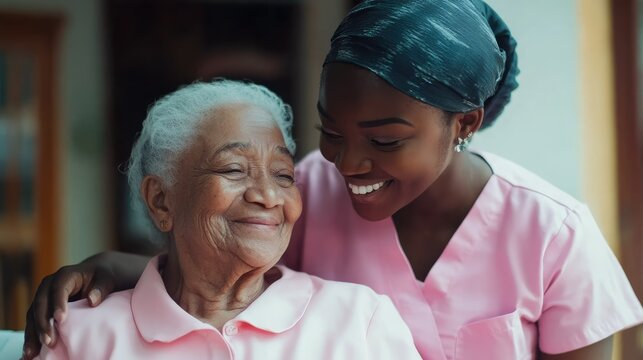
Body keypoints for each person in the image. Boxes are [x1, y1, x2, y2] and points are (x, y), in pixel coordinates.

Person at [24, 1, 643, 359]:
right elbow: (228, 281)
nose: (348, 163)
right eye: (331, 131)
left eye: (384, 140)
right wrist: (116, 268)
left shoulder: (554, 233)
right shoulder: (302, 193)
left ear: (465, 124)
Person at [34, 79, 422, 359]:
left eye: (284, 175)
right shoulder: (79, 335)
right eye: (234, 170)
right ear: (162, 201)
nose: (268, 196)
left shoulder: (359, 321)